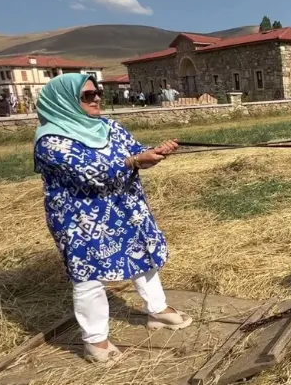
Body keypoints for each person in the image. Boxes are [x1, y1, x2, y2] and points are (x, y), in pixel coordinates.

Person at [33, 73, 193, 366]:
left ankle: (157, 310)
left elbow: (134, 151)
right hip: (81, 218)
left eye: (97, 93)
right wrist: (133, 162)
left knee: (142, 255)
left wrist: (155, 152)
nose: (96, 99)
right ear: (64, 100)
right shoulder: (50, 141)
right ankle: (95, 340)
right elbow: (88, 173)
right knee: (88, 275)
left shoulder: (108, 127)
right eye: (87, 96)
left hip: (125, 207)